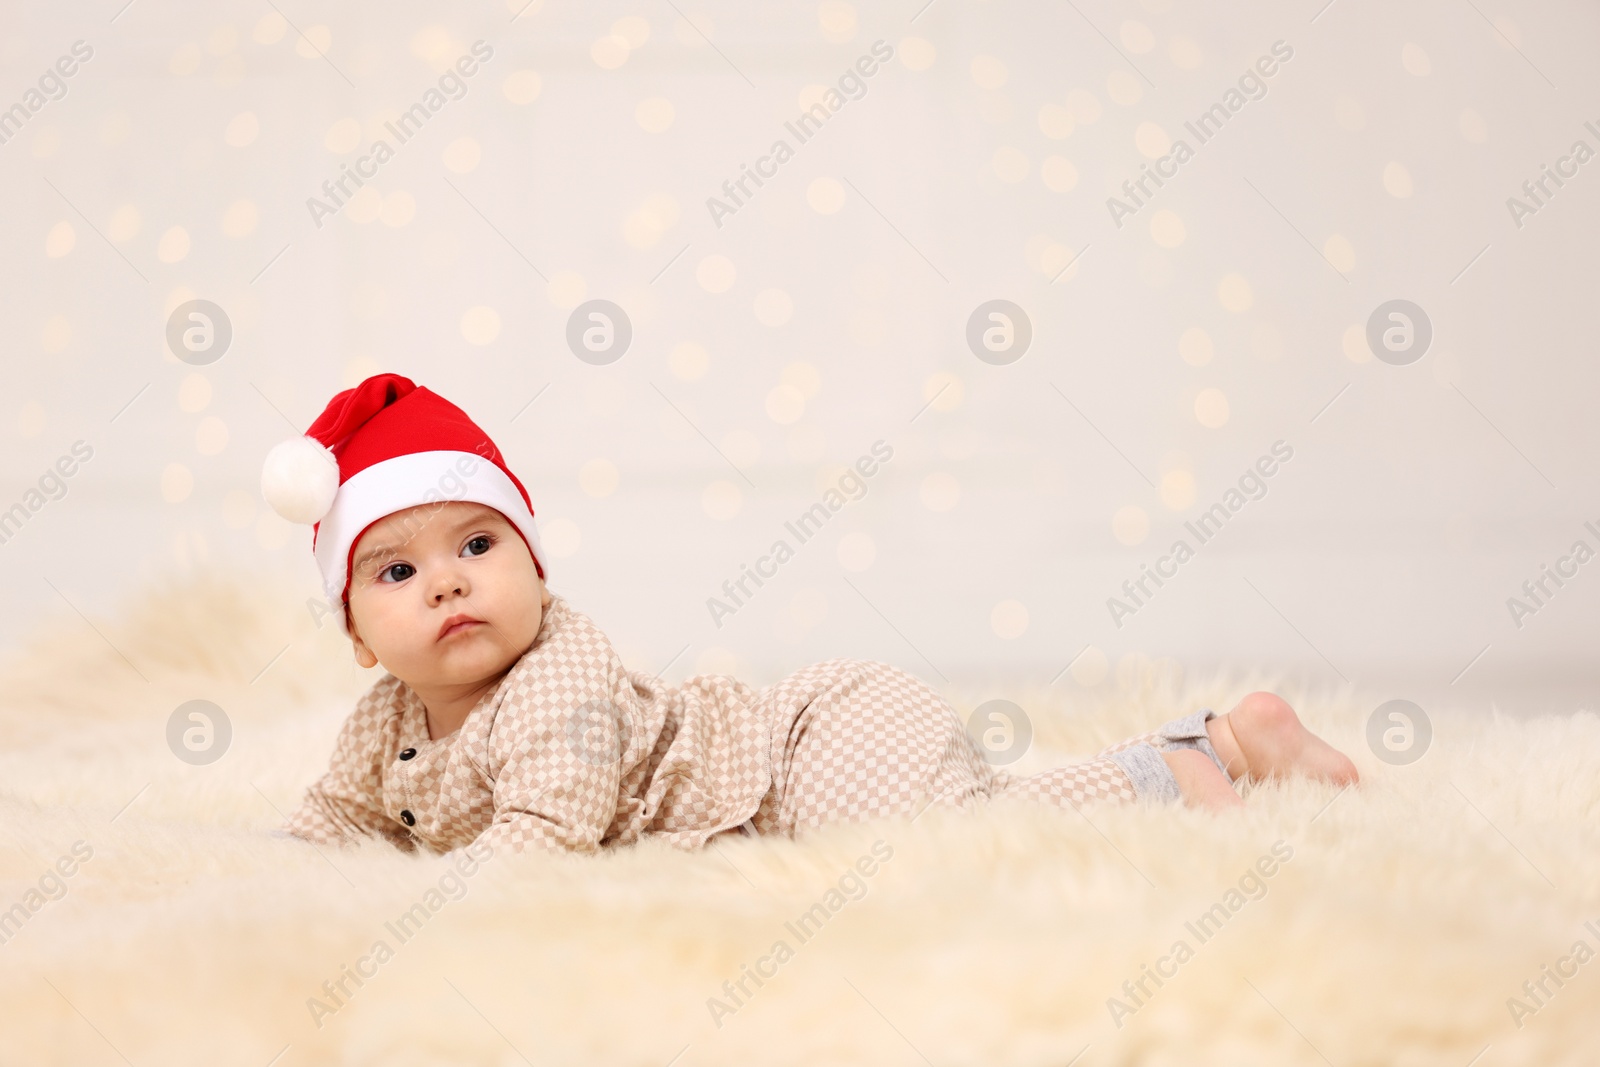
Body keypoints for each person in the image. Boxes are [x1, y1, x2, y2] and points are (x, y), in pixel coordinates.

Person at [266, 375, 1357, 855]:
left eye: (475, 543)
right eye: (397, 572)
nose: (449, 582)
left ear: (536, 565)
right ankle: (1217, 739)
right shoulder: (383, 722)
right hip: (798, 767)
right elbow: (337, 816)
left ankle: (1174, 774)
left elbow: (541, 833)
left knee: (942, 845)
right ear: (359, 634)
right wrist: (277, 878)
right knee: (979, 814)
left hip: (801, 745)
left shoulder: (558, 674)